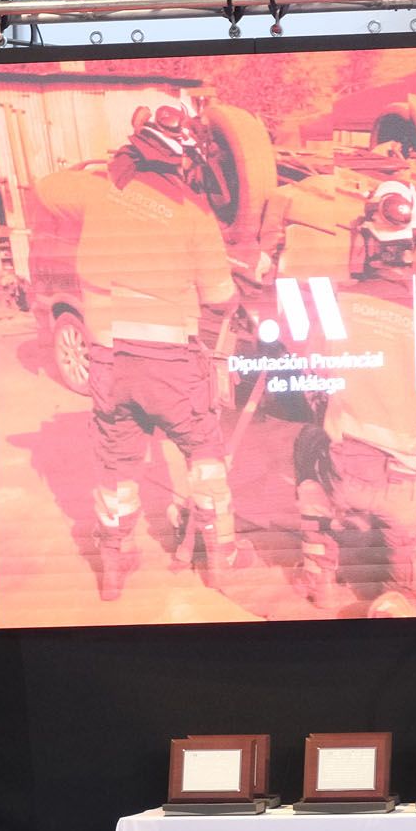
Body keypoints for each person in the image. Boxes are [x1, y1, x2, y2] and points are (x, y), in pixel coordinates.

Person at [78, 105, 247, 601]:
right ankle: (219, 558)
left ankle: (114, 563)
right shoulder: (194, 215)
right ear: (182, 161)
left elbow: (90, 277)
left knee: (116, 462)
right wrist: (234, 297)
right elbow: (218, 295)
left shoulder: (106, 200)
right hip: (170, 363)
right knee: (203, 450)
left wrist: (102, 357)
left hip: (111, 360)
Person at [295, 185, 416, 616]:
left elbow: (312, 373)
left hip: (340, 472)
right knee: (406, 571)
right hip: (401, 488)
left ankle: (320, 576)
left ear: (367, 243)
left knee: (306, 446)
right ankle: (397, 601)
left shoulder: (338, 307)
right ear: (413, 248)